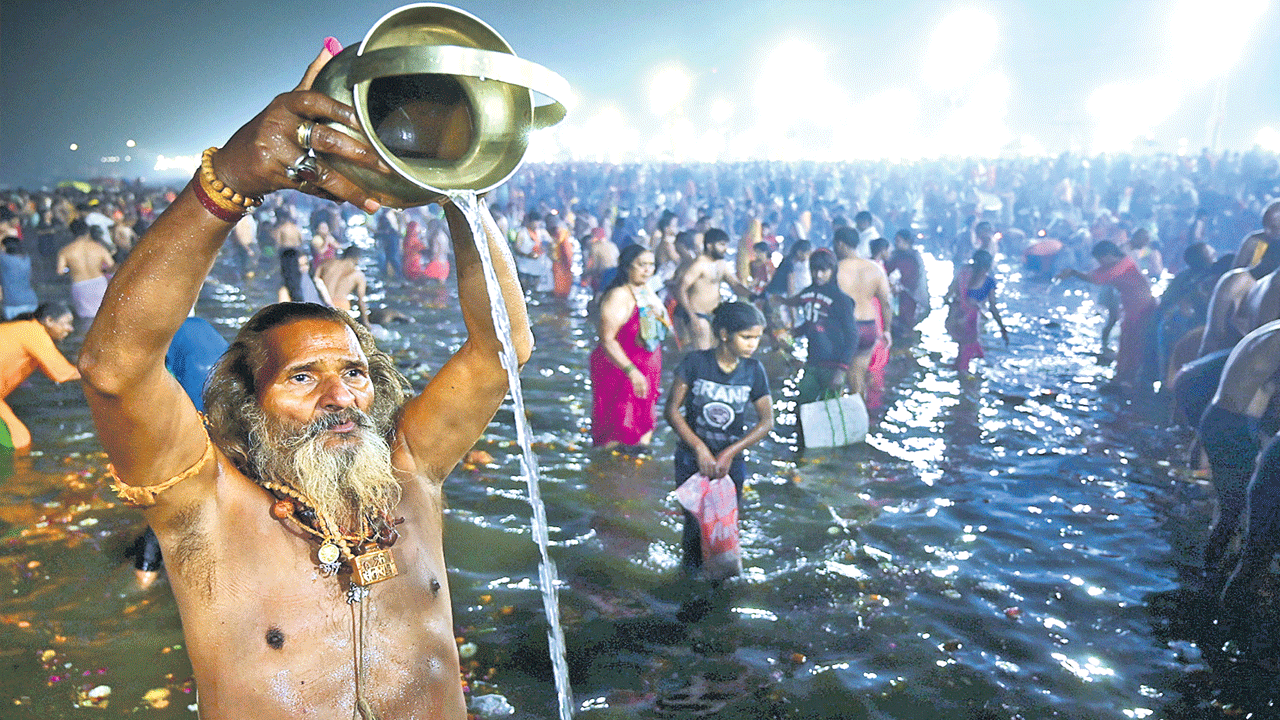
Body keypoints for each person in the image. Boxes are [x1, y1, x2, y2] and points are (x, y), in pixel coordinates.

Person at [76, 44, 531, 720]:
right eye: (301, 377)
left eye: (352, 372)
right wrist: (231, 177)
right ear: (247, 405)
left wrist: (459, 188)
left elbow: (501, 348)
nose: (340, 396)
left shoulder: (413, 475)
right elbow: (114, 370)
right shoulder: (204, 512)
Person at [665, 301, 773, 573]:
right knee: (693, 525)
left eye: (757, 338)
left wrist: (730, 453)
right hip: (691, 459)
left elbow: (766, 421)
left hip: (730, 464)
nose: (753, 345)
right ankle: (688, 579)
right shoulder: (695, 363)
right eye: (746, 337)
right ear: (724, 335)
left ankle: (719, 583)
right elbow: (672, 411)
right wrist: (700, 449)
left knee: (724, 524)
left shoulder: (753, 370)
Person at [590, 245, 670, 448]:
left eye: (651, 265)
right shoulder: (618, 296)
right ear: (627, 267)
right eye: (642, 265)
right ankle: (609, 472)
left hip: (647, 368)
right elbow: (607, 339)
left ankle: (638, 472)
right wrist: (631, 371)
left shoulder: (647, 290)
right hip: (621, 370)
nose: (648, 270)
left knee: (644, 421)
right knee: (617, 424)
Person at [1056, 241, 1157, 388]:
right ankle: (1124, 373)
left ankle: (1128, 376)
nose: (1099, 263)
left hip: (1141, 307)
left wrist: (1074, 273)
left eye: (1100, 259)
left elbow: (1097, 279)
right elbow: (1095, 276)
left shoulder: (1123, 264)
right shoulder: (1118, 262)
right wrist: (1073, 273)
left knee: (1132, 341)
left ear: (1109, 255)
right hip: (1133, 306)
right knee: (1127, 340)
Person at [0, 303, 78, 452]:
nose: (70, 329)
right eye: (67, 323)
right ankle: (22, 473)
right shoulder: (33, 332)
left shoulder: (25, 330)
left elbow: (52, 372)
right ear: (49, 321)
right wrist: (99, 371)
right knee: (20, 439)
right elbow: (61, 373)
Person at [791, 249, 857, 405]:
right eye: (814, 270)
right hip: (812, 362)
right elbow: (810, 324)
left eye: (823, 270)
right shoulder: (807, 294)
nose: (818, 275)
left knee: (831, 407)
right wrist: (792, 334)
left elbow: (852, 336)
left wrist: (841, 370)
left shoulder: (842, 300)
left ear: (832, 270)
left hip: (833, 365)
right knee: (803, 404)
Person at [833, 227, 893, 395]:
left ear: (840, 244)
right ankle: (862, 416)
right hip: (868, 327)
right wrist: (887, 330)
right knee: (858, 377)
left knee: (836, 376)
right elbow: (887, 303)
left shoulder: (835, 269)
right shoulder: (875, 269)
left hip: (844, 328)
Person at [674, 228, 753, 350]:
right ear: (710, 246)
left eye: (726, 245)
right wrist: (692, 316)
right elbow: (680, 289)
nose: (725, 248)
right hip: (698, 315)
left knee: (716, 352)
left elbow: (735, 285)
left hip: (715, 314)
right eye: (721, 245)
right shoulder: (699, 265)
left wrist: (754, 295)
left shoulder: (721, 264)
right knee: (704, 354)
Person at [945, 249, 1009, 375]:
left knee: (962, 348)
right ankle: (965, 385)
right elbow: (993, 308)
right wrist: (1002, 328)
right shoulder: (988, 281)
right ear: (988, 265)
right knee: (967, 353)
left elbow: (948, 295)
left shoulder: (962, 273)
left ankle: (957, 369)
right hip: (969, 320)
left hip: (955, 317)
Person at [57, 218, 116, 319]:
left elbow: (60, 271)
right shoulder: (98, 247)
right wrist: (102, 270)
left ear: (72, 233)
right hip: (99, 283)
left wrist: (71, 269)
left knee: (86, 320)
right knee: (104, 316)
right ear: (88, 232)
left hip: (80, 285)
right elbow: (112, 266)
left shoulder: (65, 251)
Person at [885, 229, 929, 337]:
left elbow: (915, 279)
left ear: (907, 241)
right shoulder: (895, 255)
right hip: (896, 296)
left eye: (898, 241)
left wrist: (901, 287)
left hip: (910, 297)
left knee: (905, 324)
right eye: (895, 240)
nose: (896, 243)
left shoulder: (913, 257)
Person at [317, 245, 371, 327]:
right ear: (357, 258)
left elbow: (315, 279)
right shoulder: (358, 275)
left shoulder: (326, 264)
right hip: (341, 307)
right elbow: (360, 302)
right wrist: (366, 322)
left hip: (322, 303)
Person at [1, 236, 40, 320]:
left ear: (4, 247)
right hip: (31, 300)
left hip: (13, 303)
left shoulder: (4, 259)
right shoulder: (26, 259)